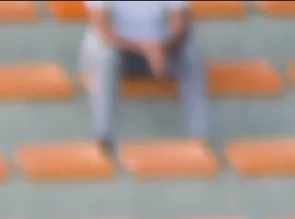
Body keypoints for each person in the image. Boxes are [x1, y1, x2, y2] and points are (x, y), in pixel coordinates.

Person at [81, 1, 208, 148]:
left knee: (191, 55)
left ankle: (200, 138)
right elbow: (103, 31)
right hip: (118, 51)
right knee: (105, 56)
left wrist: (163, 48)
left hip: (159, 51)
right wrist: (146, 50)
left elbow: (182, 25)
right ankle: (103, 136)